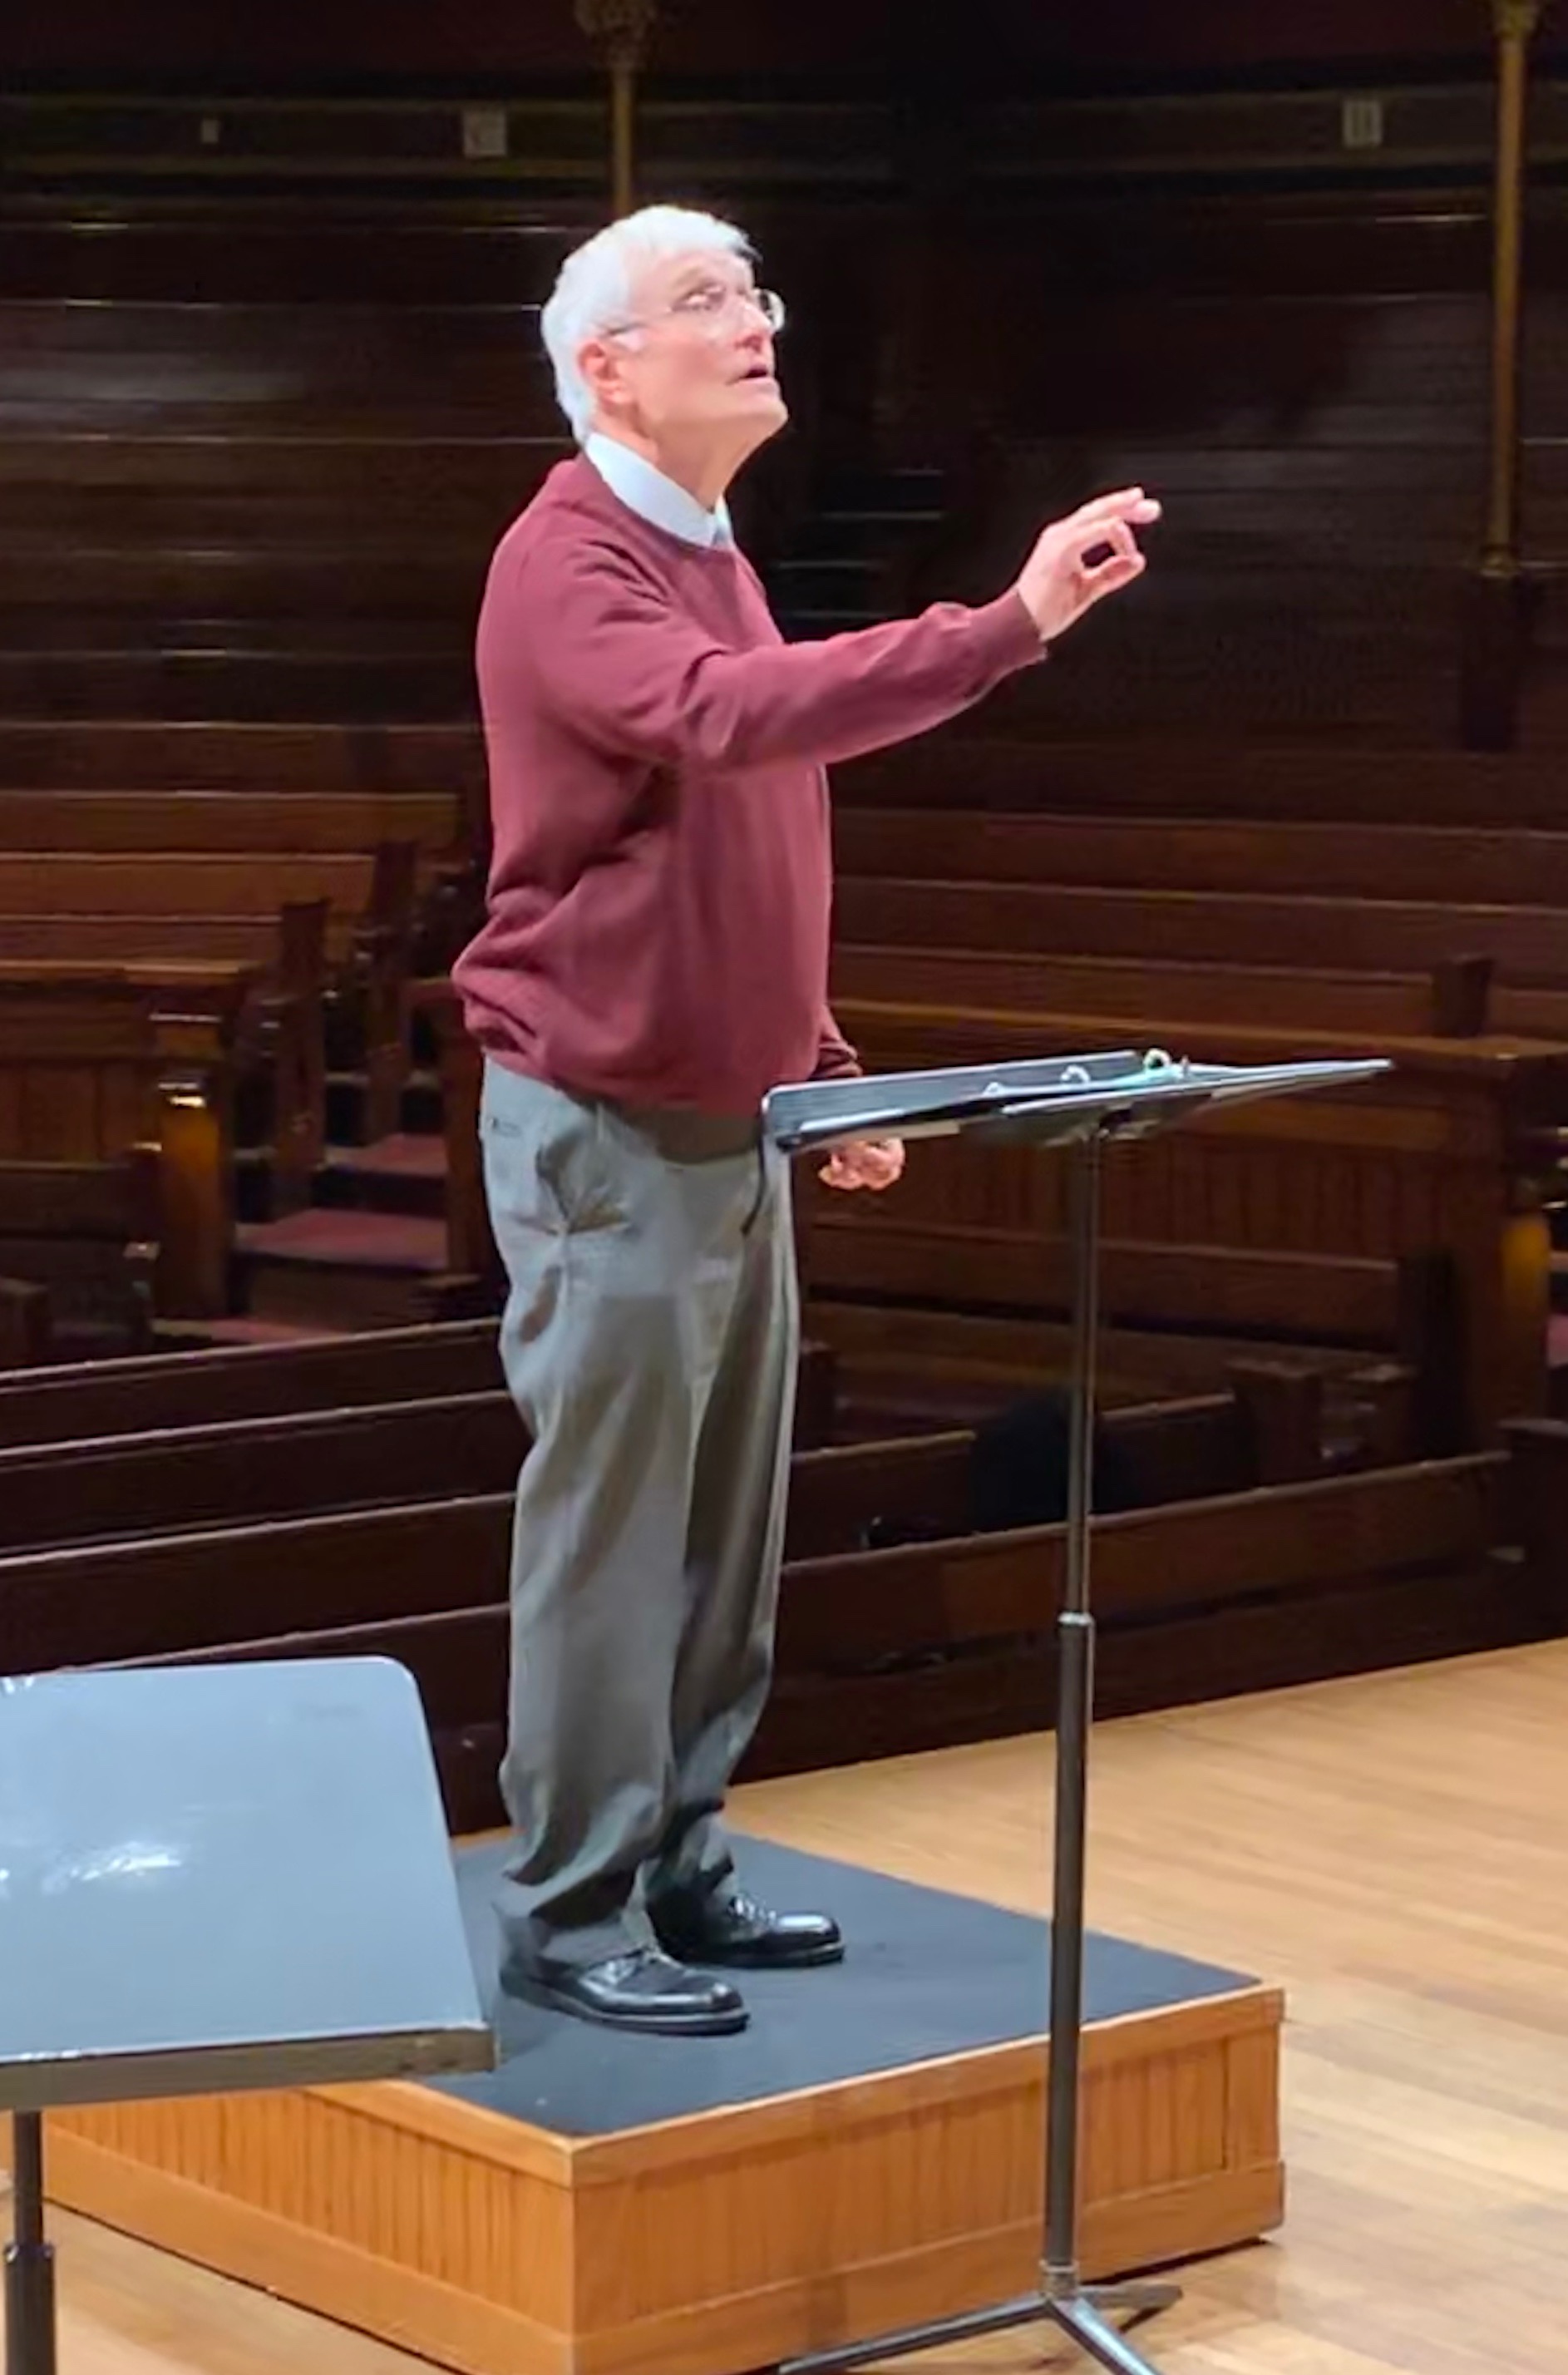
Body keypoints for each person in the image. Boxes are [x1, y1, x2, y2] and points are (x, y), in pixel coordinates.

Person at [452, 203, 1158, 2037]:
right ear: (607, 366)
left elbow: (746, 847)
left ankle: (678, 1856)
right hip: (609, 1126)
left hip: (730, 1119)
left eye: (755, 290)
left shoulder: (708, 548)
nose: (756, 318)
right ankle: (571, 1906)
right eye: (706, 299)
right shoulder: (569, 556)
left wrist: (819, 1067)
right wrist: (1002, 626)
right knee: (614, 1539)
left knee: (721, 1535)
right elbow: (722, 723)